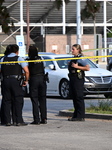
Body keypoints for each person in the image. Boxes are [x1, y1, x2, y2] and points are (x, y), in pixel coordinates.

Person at [0, 44, 29, 126]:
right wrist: (26, 80)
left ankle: (7, 121)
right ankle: (18, 120)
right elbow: (26, 71)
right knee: (18, 100)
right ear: (17, 51)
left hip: (5, 81)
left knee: (6, 101)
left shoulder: (3, 59)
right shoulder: (19, 58)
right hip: (16, 81)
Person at [68, 44, 90, 121]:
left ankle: (81, 116)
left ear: (78, 50)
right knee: (74, 97)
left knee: (79, 97)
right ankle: (76, 115)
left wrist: (77, 67)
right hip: (72, 79)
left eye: (73, 49)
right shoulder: (74, 58)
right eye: (72, 49)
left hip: (78, 79)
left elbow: (87, 68)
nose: (72, 50)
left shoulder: (81, 58)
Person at [28, 45, 47, 125]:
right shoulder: (41, 58)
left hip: (34, 79)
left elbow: (27, 70)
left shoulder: (29, 60)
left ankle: (36, 119)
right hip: (42, 79)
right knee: (42, 99)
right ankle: (44, 118)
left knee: (34, 100)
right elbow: (44, 66)